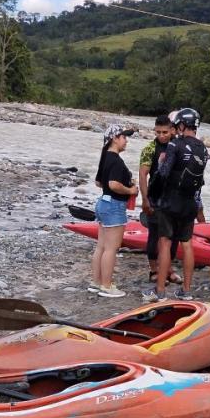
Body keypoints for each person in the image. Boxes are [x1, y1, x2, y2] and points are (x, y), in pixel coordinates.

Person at [151, 107, 208, 299]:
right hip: (190, 203)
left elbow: (164, 173)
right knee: (187, 244)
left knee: (165, 243)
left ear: (182, 125)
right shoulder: (203, 148)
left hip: (171, 201)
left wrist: (160, 163)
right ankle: (186, 290)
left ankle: (160, 291)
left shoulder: (175, 144)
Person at [89, 124, 139, 297]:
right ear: (114, 139)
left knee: (101, 246)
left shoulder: (105, 157)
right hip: (114, 206)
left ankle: (96, 282)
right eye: (124, 137)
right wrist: (130, 190)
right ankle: (107, 285)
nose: (126, 141)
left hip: (103, 202)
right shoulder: (116, 160)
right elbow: (113, 184)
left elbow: (99, 183)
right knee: (111, 248)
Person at [136, 114, 182, 287]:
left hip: (174, 197)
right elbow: (142, 174)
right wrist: (145, 199)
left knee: (174, 236)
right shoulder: (149, 148)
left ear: (172, 129)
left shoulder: (178, 146)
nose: (161, 135)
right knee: (154, 235)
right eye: (158, 132)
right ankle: (154, 270)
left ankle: (169, 269)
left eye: (165, 132)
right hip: (156, 198)